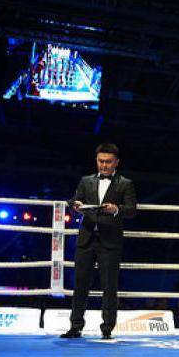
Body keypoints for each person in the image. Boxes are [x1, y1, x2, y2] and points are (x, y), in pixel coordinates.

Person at [61, 143, 137, 339]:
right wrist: (75, 205)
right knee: (80, 284)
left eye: (108, 162)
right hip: (86, 238)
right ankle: (75, 326)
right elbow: (73, 200)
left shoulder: (125, 183)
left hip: (110, 241)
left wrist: (116, 209)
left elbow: (131, 210)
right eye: (101, 161)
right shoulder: (86, 181)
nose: (104, 165)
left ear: (116, 162)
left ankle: (107, 328)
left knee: (109, 286)